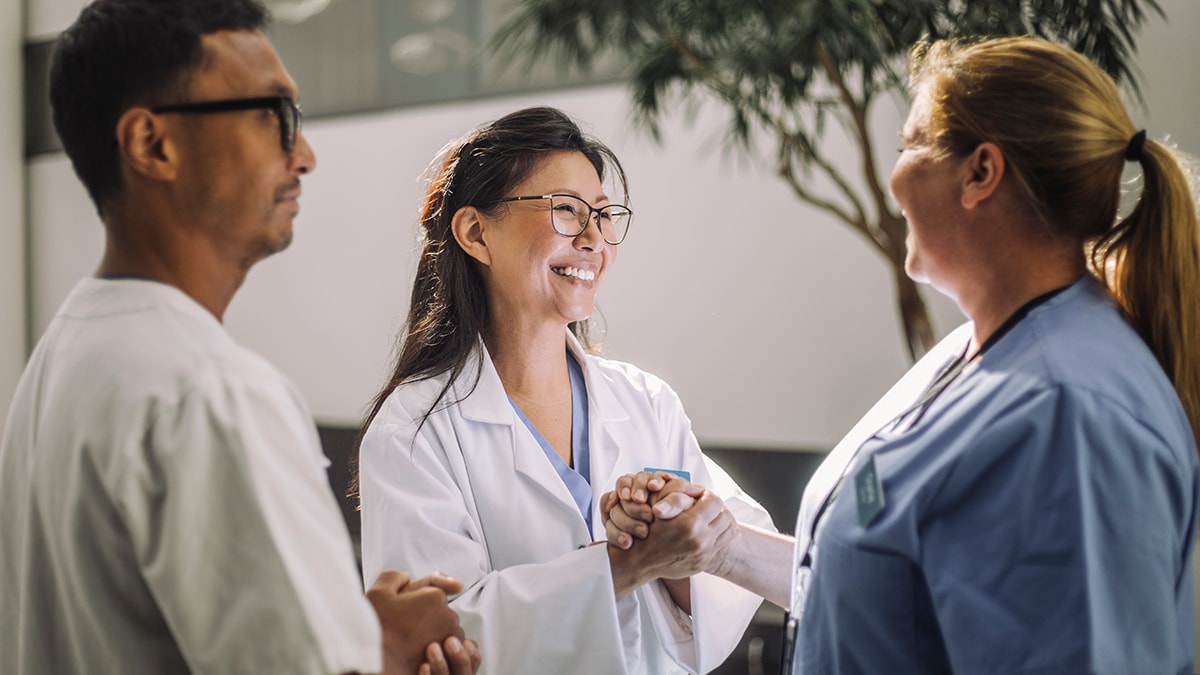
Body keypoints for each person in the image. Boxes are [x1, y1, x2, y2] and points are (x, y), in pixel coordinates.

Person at [607, 35, 1200, 674]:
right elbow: (886, 595)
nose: (893, 181)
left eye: (908, 145)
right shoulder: (975, 352)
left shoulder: (1068, 412)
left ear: (980, 173)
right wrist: (717, 547)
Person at [0, 1, 480, 674]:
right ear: (152, 145)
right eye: (273, 116)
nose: (304, 155)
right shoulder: (211, 392)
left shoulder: (64, 354)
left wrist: (343, 624)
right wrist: (387, 651)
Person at [355, 106, 777, 674]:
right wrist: (626, 564)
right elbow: (436, 638)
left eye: (604, 216)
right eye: (567, 212)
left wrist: (678, 548)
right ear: (476, 233)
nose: (593, 240)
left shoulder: (646, 401)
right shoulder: (414, 429)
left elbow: (732, 583)